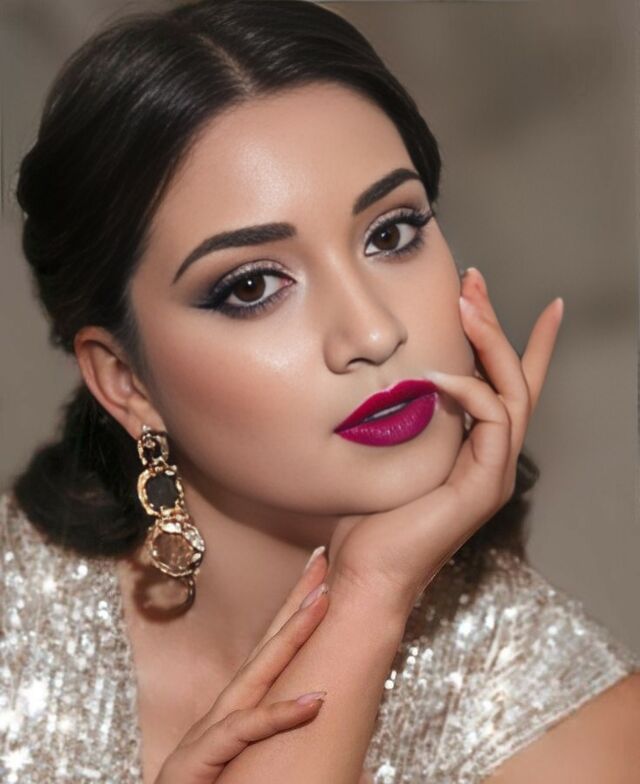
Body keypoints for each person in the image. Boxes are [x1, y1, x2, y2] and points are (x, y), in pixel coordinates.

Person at [1, 1, 638, 782]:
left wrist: (370, 591)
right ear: (125, 381)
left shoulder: (573, 730)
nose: (373, 332)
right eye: (252, 286)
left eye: (391, 234)